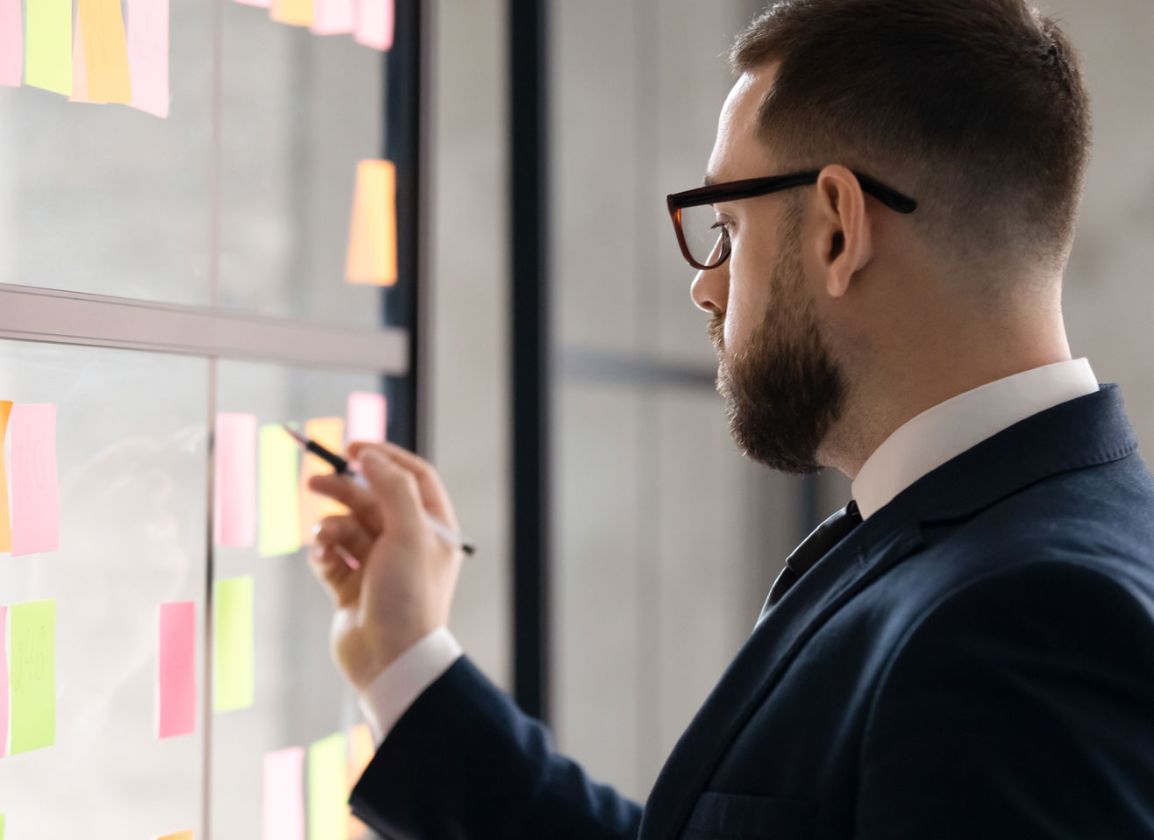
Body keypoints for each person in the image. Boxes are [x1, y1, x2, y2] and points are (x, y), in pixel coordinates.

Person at [306, 1, 1154, 837]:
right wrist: (405, 664)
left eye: (727, 227)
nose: (705, 285)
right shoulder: (1009, 556)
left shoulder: (1023, 628)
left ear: (836, 229)